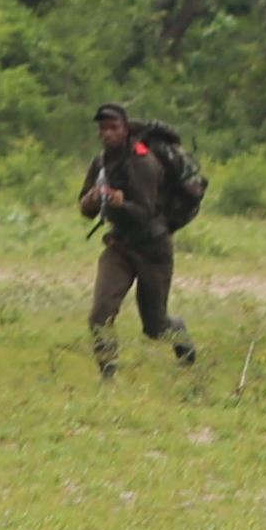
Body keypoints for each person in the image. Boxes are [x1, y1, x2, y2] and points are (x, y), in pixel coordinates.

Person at [79, 102, 204, 381]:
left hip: (153, 248)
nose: (107, 133)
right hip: (119, 247)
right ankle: (108, 378)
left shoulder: (143, 162)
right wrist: (90, 200)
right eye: (102, 128)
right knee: (100, 316)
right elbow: (86, 209)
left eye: (113, 127)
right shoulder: (100, 162)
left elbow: (145, 212)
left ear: (126, 130)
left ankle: (182, 341)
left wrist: (121, 203)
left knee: (155, 326)